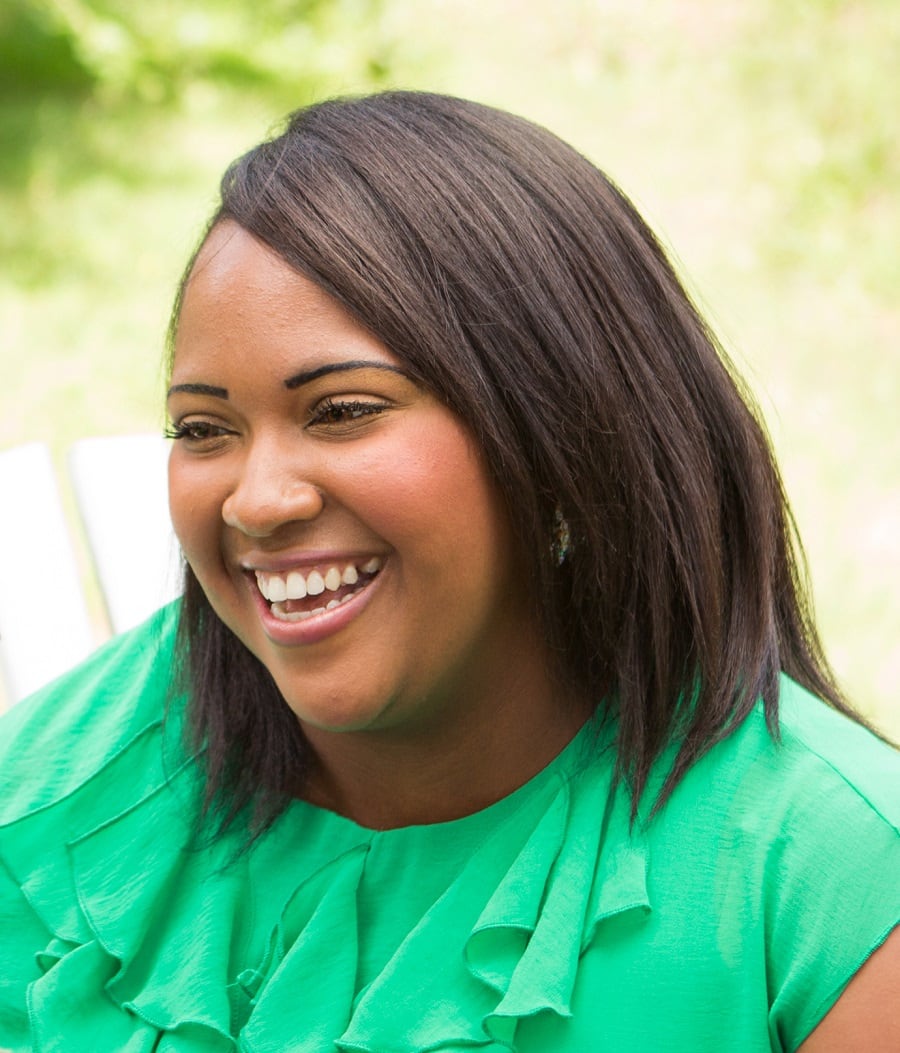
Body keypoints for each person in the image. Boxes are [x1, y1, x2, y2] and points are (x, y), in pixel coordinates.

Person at [0, 91, 897, 1053]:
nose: (255, 501)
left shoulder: (823, 881)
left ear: (561, 434)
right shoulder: (55, 800)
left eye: (343, 410)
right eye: (203, 429)